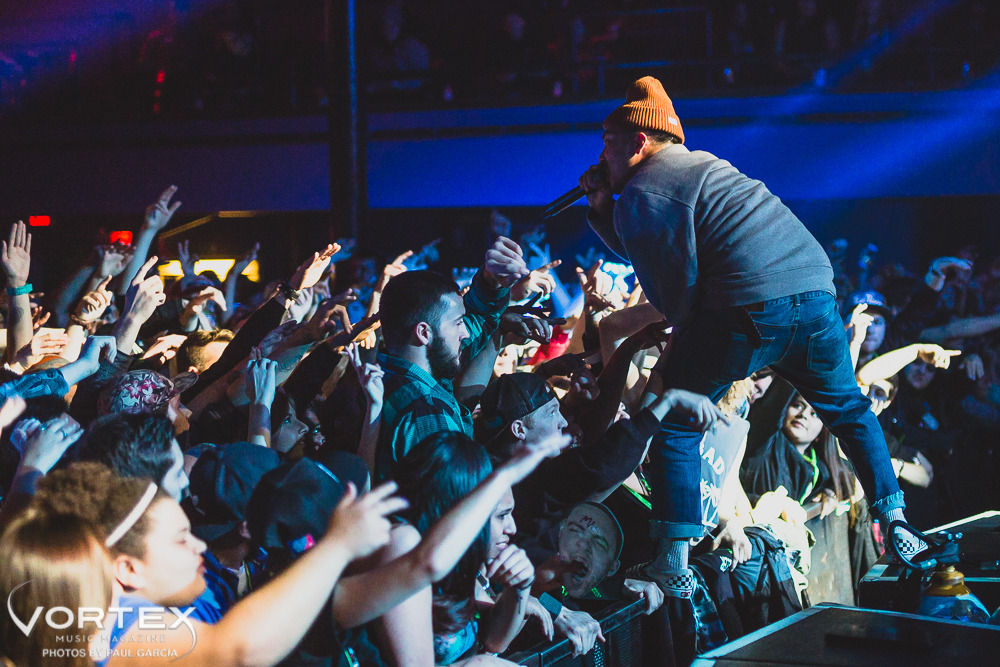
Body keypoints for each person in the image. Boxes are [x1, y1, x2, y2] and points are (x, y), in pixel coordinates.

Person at [578, 75, 915, 599]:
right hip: (815, 290)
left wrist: (611, 208)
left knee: (675, 419)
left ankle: (672, 562)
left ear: (638, 142)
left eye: (607, 141)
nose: (601, 151)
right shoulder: (700, 166)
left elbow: (673, 300)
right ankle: (895, 520)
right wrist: (606, 209)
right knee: (848, 408)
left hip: (748, 307)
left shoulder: (643, 189)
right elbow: (655, 247)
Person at [374, 236, 528, 480]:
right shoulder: (427, 412)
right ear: (424, 333)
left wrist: (491, 282)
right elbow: (448, 504)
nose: (465, 332)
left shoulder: (378, 376)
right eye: (458, 323)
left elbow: (476, 320)